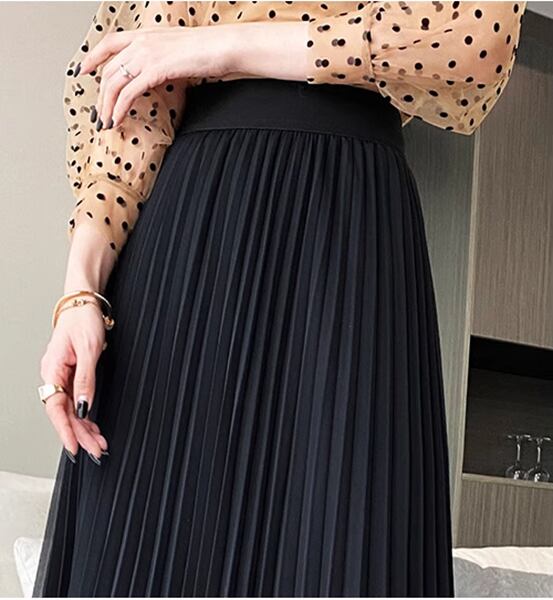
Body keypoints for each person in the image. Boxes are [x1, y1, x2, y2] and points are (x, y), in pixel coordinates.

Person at [34, 1, 527, 597]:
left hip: (345, 233)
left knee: (337, 534)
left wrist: (218, 47)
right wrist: (79, 295)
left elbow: (472, 42)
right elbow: (124, 121)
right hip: (195, 230)